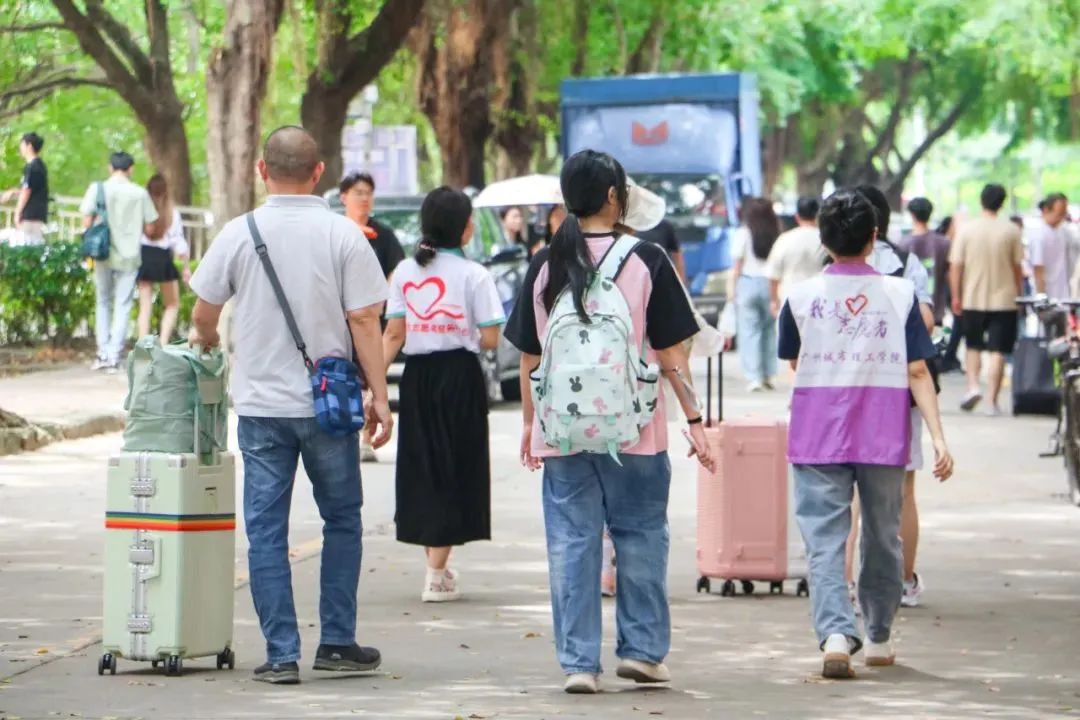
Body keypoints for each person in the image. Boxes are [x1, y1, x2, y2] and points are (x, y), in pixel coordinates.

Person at [504, 149, 717, 694]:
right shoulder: (647, 259)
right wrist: (695, 420)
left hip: (562, 429)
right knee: (641, 535)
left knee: (571, 542)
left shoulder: (546, 262)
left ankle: (579, 662)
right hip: (635, 429)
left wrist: (530, 425)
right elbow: (671, 353)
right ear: (614, 197)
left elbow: (530, 357)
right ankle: (642, 652)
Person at [188, 126, 393, 685]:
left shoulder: (239, 232)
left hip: (261, 409)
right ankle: (337, 642)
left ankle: (280, 654)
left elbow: (204, 314)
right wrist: (379, 395)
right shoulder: (344, 235)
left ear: (262, 171)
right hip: (330, 407)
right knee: (342, 520)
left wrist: (204, 342)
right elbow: (364, 320)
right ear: (319, 172)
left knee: (266, 531)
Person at [777, 189, 954, 680]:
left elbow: (793, 360)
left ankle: (836, 634)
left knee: (824, 539)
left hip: (817, 431)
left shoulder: (799, 297)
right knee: (882, 535)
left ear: (823, 239)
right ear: (874, 237)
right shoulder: (901, 295)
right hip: (882, 432)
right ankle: (877, 636)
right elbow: (918, 371)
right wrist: (938, 438)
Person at [381, 187, 504, 603]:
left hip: (417, 378)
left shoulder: (404, 271)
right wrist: (461, 332)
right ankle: (435, 574)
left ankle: (438, 565)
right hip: (460, 376)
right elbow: (491, 338)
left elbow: (393, 334)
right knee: (455, 465)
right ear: (466, 228)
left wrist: (374, 386)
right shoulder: (474, 275)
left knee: (423, 465)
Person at [844, 186, 936, 612]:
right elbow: (927, 321)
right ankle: (903, 581)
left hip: (843, 389)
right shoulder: (905, 262)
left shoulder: (830, 264)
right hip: (896, 389)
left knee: (848, 492)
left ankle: (845, 583)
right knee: (903, 490)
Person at [340, 171, 405, 463]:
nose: (364, 198)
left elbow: (396, 271)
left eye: (368, 193)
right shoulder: (336, 231)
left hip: (372, 318)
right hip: (339, 320)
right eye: (358, 192)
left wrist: (382, 300)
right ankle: (344, 433)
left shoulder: (384, 236)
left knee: (369, 376)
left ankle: (366, 437)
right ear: (344, 197)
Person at [949, 183, 1024, 415]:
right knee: (998, 350)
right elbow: (1017, 267)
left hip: (972, 297)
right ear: (1002, 203)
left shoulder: (967, 230)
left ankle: (973, 386)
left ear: (981, 200)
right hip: (1005, 299)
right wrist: (1019, 294)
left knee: (973, 346)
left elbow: (956, 266)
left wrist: (956, 295)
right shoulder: (1011, 230)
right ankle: (992, 400)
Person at [80, 151, 158, 372]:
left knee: (103, 300)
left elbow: (86, 220)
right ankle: (115, 356)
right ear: (131, 169)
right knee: (123, 304)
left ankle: (102, 353)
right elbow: (151, 227)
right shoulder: (140, 193)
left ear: (110, 168)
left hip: (103, 252)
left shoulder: (98, 189)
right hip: (130, 256)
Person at [727, 197, 781, 391]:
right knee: (768, 330)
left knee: (750, 331)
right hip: (770, 284)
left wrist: (731, 292)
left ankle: (754, 377)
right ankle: (767, 374)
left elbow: (736, 266)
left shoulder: (743, 233)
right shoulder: (777, 234)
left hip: (748, 283)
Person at [136, 174, 190, 344]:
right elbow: (179, 243)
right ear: (166, 191)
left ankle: (143, 345)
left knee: (145, 306)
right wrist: (186, 267)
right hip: (163, 258)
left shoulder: (141, 211)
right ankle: (163, 343)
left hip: (144, 256)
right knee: (172, 304)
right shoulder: (172, 213)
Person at [767, 196, 825, 314]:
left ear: (797, 217)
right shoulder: (827, 240)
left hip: (790, 301)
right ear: (818, 216)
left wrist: (774, 301)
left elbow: (773, 275)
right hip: (819, 303)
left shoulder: (785, 239)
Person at [1, 132, 48, 245]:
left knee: (26, 245)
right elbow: (31, 188)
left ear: (29, 146)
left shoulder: (32, 167)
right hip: (37, 215)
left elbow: (27, 191)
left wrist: (18, 212)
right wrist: (13, 192)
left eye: (22, 144)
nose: (20, 148)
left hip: (30, 216)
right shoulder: (40, 166)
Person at [1029, 192, 1071, 300]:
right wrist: (1042, 296)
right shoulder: (1039, 234)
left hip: (1063, 294)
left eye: (1064, 213)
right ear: (1046, 210)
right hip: (1048, 297)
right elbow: (1038, 269)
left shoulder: (1062, 231)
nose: (1062, 218)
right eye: (1059, 214)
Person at [635, 218, 687, 283]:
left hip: (661, 280)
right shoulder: (627, 225)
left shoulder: (664, 226)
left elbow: (677, 256)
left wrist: (681, 283)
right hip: (635, 280)